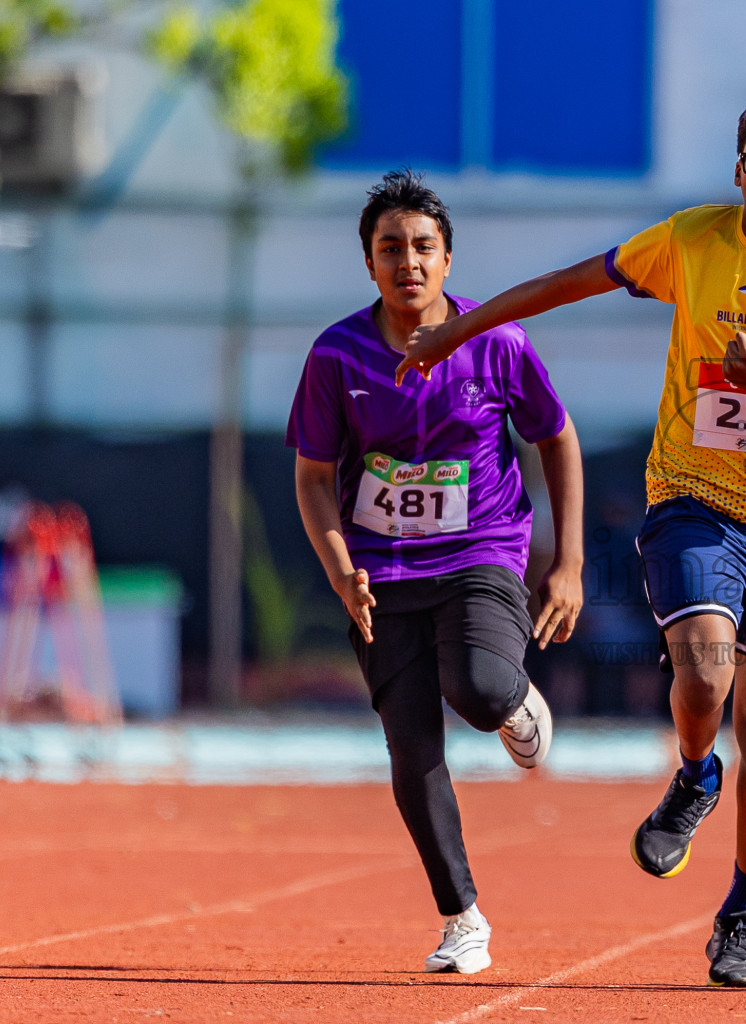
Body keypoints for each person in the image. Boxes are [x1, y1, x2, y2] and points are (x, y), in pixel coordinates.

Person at [392, 84, 746, 988]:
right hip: (694, 495)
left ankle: (742, 911)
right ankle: (696, 774)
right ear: (736, 165)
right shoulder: (692, 239)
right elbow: (569, 282)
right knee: (703, 675)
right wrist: (461, 328)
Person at [286, 170, 584, 974]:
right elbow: (314, 476)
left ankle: (516, 701)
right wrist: (341, 567)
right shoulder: (335, 355)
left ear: (448, 259)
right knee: (410, 746)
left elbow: (556, 437)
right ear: (370, 264)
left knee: (480, 691)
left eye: (423, 247)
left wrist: (569, 565)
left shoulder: (497, 342)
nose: (407, 261)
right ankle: (463, 919)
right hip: (379, 569)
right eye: (390, 249)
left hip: (480, 549)